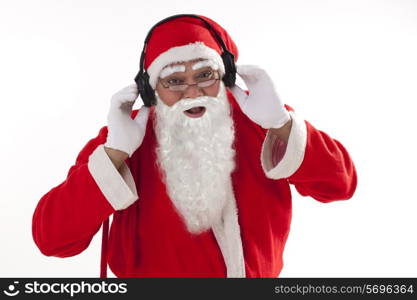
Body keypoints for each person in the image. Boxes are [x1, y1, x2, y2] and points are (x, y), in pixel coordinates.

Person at [32, 14, 357, 278]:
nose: (193, 93)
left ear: (226, 75)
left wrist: (281, 123)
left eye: (205, 75)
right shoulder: (124, 139)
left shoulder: (263, 123)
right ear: (150, 88)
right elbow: (52, 239)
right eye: (174, 80)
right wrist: (115, 153)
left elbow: (341, 185)